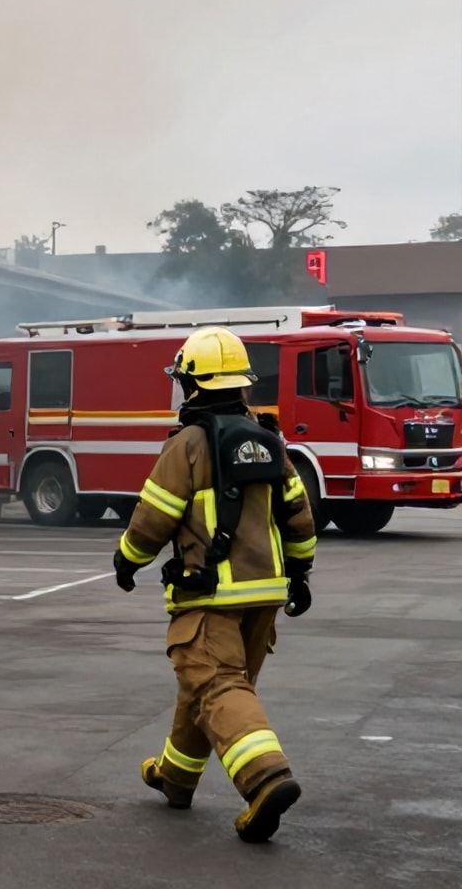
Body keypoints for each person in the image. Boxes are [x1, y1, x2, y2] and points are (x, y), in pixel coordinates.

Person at [112, 326, 317, 844]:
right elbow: (299, 517)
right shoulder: (271, 443)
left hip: (209, 595)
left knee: (218, 685)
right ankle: (175, 778)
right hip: (265, 597)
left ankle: (266, 779)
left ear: (193, 385)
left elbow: (152, 518)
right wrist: (299, 575)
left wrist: (127, 560)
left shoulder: (188, 444)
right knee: (202, 686)